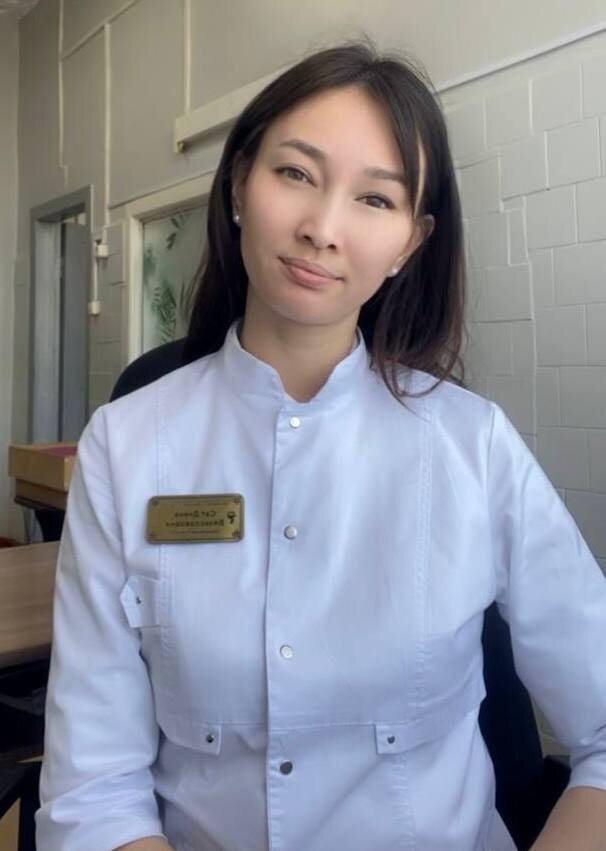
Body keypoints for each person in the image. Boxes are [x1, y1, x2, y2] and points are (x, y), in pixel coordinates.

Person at [35, 35, 606, 851]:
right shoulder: (125, 446)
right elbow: (95, 791)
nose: (323, 228)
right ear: (240, 183)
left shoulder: (473, 446)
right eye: (296, 173)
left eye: (375, 198)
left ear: (411, 241)